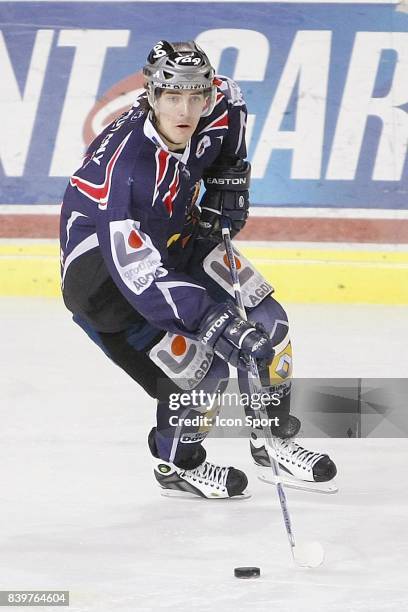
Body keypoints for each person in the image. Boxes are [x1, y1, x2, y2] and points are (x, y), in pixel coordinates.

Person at [60, 40, 337, 500]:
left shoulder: (222, 101)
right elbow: (141, 276)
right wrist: (213, 321)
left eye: (196, 97)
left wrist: (230, 179)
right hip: (108, 283)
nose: (185, 110)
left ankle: (272, 443)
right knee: (201, 374)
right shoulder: (128, 174)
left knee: (270, 327)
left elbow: (234, 118)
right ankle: (178, 465)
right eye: (172, 97)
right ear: (150, 96)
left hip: (178, 237)